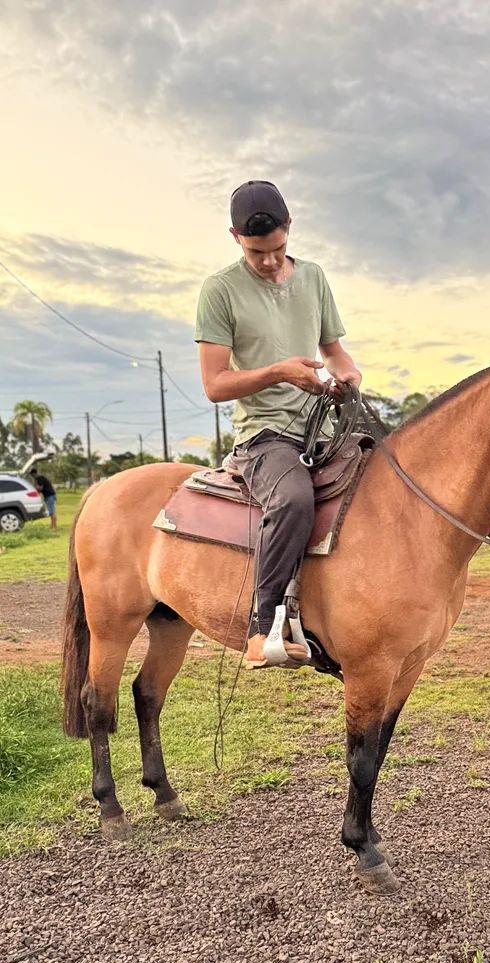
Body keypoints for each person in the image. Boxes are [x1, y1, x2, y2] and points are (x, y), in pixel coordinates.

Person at [195, 180, 362, 668]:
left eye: (278, 249)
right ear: (234, 237)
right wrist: (277, 372)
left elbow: (334, 350)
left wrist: (347, 373)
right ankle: (260, 626)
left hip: (322, 424)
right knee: (292, 499)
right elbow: (215, 384)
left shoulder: (313, 278)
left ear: (290, 230)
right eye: (256, 252)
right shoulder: (220, 290)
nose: (268, 261)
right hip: (264, 434)